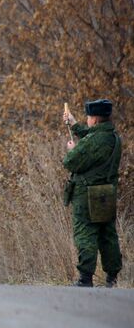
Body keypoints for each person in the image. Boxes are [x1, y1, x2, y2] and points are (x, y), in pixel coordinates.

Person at [63, 99, 122, 288]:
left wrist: (72, 150)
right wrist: (74, 123)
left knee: (85, 234)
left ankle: (85, 278)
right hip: (107, 194)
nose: (87, 120)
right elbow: (91, 136)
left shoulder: (94, 141)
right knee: (107, 235)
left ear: (95, 119)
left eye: (88, 117)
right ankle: (112, 277)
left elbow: (71, 162)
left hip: (87, 195)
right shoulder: (113, 137)